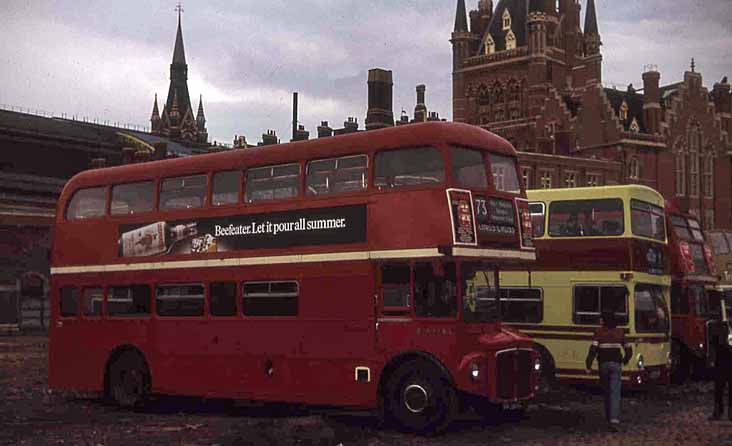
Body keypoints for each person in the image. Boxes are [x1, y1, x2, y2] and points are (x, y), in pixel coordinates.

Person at [586, 311, 632, 431]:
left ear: (604, 321)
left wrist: (588, 364)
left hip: (603, 365)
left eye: (601, 319)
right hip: (616, 364)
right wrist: (625, 360)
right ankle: (614, 420)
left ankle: (608, 417)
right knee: (615, 392)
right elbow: (628, 349)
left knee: (606, 391)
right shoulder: (620, 332)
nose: (600, 321)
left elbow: (593, 349)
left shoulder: (598, 332)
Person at [708, 316, 732, 421]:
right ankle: (718, 410)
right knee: (719, 388)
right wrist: (712, 359)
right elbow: (713, 344)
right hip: (721, 359)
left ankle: (729, 412)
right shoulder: (716, 326)